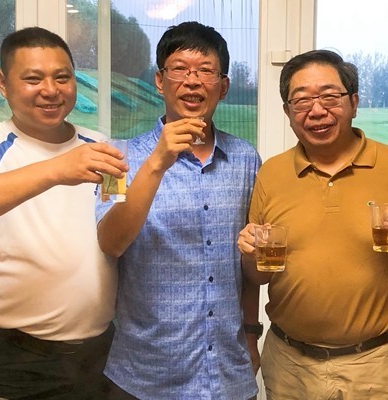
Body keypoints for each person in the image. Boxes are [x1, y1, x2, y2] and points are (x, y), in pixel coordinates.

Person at [0, 27, 127, 399]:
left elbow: (118, 229)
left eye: (62, 77)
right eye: (33, 79)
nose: (50, 90)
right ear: (3, 84)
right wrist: (57, 169)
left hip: (102, 349)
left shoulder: (101, 147)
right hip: (16, 357)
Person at [236, 49, 388, 400]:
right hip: (290, 364)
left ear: (354, 102)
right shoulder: (271, 174)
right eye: (301, 100)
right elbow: (258, 276)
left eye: (330, 97)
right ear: (287, 112)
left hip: (378, 363)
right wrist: (250, 255)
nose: (316, 111)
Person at [96, 21, 261, 399]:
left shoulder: (247, 160)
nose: (192, 81)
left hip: (227, 375)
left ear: (223, 86)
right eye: (180, 69)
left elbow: (250, 263)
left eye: (206, 71)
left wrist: (252, 336)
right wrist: (157, 161)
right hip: (143, 376)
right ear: (159, 80)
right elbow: (109, 242)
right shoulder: (116, 156)